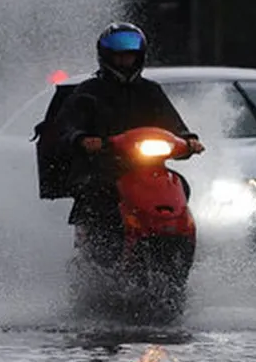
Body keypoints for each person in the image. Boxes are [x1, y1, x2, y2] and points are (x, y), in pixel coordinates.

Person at [53, 22, 205, 261]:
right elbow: (67, 127)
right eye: (119, 56)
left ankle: (178, 245)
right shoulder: (88, 91)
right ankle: (98, 258)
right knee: (99, 195)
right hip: (104, 167)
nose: (125, 61)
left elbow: (174, 124)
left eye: (130, 56)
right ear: (106, 57)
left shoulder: (151, 91)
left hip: (149, 168)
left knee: (180, 185)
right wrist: (81, 139)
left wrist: (189, 140)